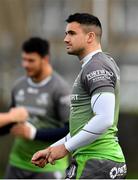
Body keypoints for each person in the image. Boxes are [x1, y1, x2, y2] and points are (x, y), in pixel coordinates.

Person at [31, 13, 127, 179]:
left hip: (96, 162)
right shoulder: (97, 64)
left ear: (90, 37)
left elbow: (104, 119)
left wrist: (66, 147)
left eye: (72, 33)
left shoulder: (96, 66)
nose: (65, 39)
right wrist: (52, 149)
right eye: (66, 33)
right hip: (100, 161)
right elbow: (81, 126)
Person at [4, 37, 70, 179]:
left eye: (31, 60)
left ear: (45, 59)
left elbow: (70, 130)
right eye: (24, 59)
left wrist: (34, 134)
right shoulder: (18, 86)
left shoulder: (60, 89)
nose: (25, 64)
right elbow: (10, 123)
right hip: (17, 163)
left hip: (49, 166)